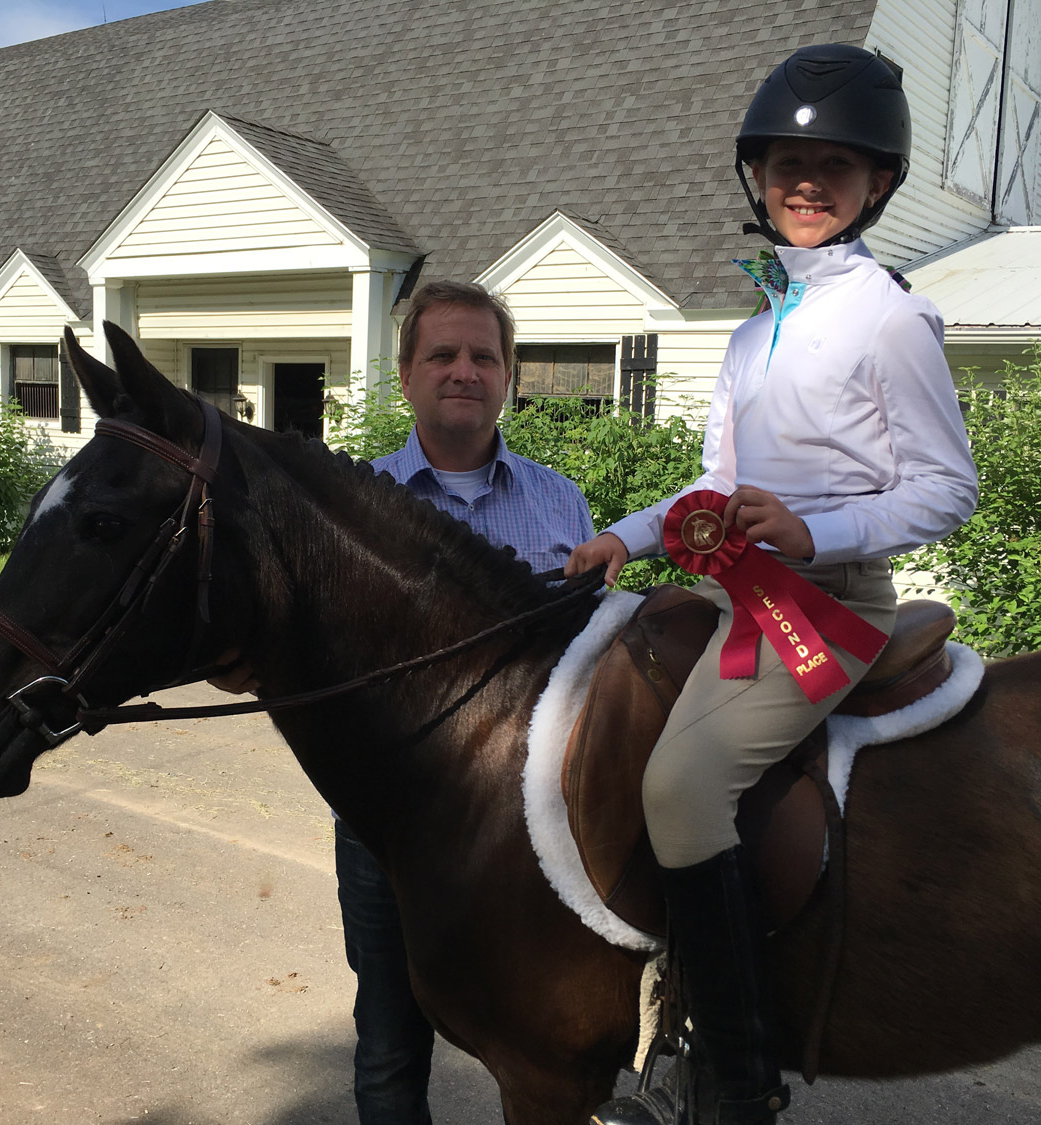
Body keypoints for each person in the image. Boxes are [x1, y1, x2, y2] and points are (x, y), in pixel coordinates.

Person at [568, 45, 978, 1125]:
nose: (807, 182)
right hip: (729, 589)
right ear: (758, 175)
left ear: (875, 185)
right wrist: (627, 535)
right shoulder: (755, 333)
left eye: (833, 166)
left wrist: (814, 530)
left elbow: (948, 486)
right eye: (788, 162)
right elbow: (717, 487)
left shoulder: (891, 317)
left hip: (829, 607)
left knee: (680, 788)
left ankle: (732, 1074)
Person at [217, 279, 592, 1124]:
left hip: (539, 825)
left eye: (484, 356)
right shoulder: (347, 505)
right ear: (406, 373)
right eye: (443, 354)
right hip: (390, 830)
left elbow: (590, 656)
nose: (464, 370)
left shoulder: (562, 501)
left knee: (544, 1036)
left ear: (509, 375)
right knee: (389, 1044)